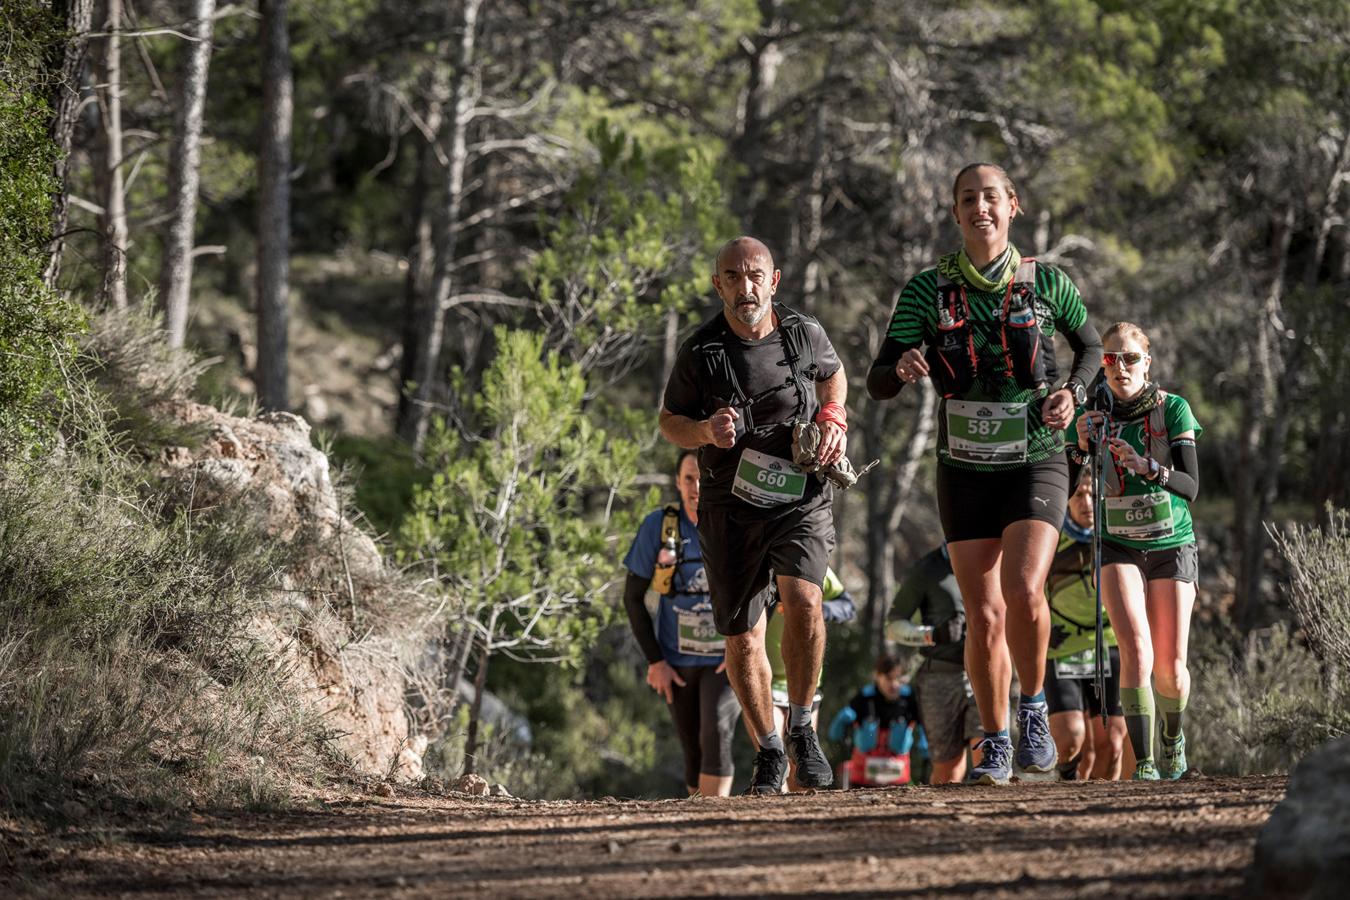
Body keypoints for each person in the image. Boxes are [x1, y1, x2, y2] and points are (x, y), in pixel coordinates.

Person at [867, 163, 1103, 784]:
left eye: (991, 198)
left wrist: (1073, 394)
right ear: (955, 212)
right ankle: (994, 739)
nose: (980, 208)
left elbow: (1094, 348)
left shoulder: (1047, 282)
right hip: (965, 465)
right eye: (968, 199)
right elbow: (877, 380)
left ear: (1013, 206)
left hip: (1038, 454)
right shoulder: (927, 290)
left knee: (1025, 591)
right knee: (985, 612)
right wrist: (905, 365)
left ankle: (1032, 711)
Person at [660, 235, 849, 794]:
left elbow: (832, 375)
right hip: (731, 505)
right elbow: (670, 420)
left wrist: (834, 416)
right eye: (733, 277)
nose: (746, 287)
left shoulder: (803, 333)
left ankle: (803, 729)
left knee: (805, 599)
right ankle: (768, 747)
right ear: (718, 284)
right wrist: (702, 432)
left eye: (755, 275)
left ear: (774, 279)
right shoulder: (700, 352)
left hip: (800, 494)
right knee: (743, 636)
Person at [1072, 322, 1202, 781]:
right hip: (1119, 545)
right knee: (1136, 652)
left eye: (1129, 358)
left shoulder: (1173, 410)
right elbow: (1070, 487)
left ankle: (1172, 736)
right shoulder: (1093, 412)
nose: (1119, 366)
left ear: (1147, 362)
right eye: (1109, 358)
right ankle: (1144, 762)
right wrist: (1080, 446)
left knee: (1169, 668)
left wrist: (1150, 468)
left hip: (1171, 544)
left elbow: (1192, 486)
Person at [621, 449, 739, 796]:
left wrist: (744, 649)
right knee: (691, 744)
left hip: (724, 659)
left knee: (716, 729)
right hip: (677, 659)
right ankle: (698, 824)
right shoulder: (660, 526)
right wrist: (656, 661)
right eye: (689, 478)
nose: (697, 486)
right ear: (677, 482)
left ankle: (713, 820)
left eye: (703, 477)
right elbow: (633, 598)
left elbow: (763, 590)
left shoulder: (734, 522)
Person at [1044, 470, 1131, 780]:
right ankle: (1066, 781)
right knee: (1069, 740)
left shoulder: (1116, 537)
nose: (1087, 502)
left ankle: (1100, 815)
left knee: (1112, 744)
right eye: (1079, 495)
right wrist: (1042, 631)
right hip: (1062, 645)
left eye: (1094, 495)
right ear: (1066, 499)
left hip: (1108, 642)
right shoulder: (1051, 539)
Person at [887, 544, 982, 784]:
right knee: (948, 770)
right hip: (938, 677)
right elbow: (893, 626)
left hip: (984, 674)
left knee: (987, 757)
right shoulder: (928, 568)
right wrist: (931, 634)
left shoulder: (991, 557)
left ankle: (987, 819)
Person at [764, 567, 856, 790]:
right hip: (767, 682)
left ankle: (799, 821)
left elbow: (847, 606)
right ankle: (773, 813)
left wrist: (813, 609)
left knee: (801, 768)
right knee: (777, 755)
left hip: (805, 685)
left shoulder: (808, 561)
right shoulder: (755, 560)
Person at [828, 655, 920, 788]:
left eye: (899, 679)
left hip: (899, 782)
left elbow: (923, 725)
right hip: (861, 783)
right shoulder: (864, 698)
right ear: (877, 676)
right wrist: (840, 723)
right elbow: (835, 734)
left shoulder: (909, 699)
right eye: (889, 678)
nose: (894, 684)